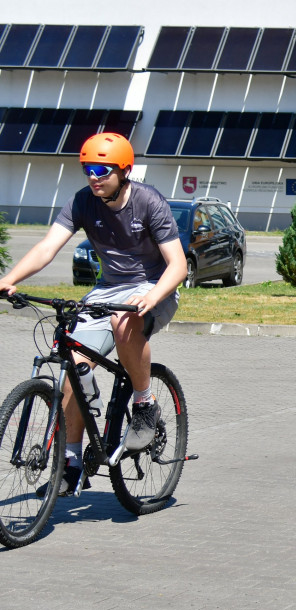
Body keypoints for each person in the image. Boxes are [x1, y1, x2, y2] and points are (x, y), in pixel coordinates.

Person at [0, 132, 187, 496]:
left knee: (124, 322)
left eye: (102, 169)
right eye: (87, 168)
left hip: (155, 285)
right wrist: (9, 279)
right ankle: (71, 462)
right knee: (72, 358)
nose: (93, 177)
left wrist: (152, 296)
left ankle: (145, 402)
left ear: (124, 171)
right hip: (108, 289)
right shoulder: (83, 202)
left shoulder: (149, 202)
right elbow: (47, 247)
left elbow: (178, 266)